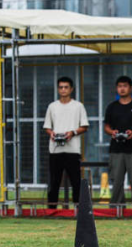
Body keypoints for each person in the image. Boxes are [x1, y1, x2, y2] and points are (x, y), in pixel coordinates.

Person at [103, 76, 132, 208]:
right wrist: (112, 132)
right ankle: (117, 209)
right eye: (119, 86)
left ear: (130, 88)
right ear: (116, 88)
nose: (122, 89)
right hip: (116, 150)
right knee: (116, 181)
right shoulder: (112, 107)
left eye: (125, 86)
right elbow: (106, 127)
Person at [43, 76, 89, 208]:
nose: (63, 90)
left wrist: (72, 132)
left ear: (71, 89)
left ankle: (78, 210)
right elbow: (47, 126)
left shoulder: (78, 106)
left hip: (73, 150)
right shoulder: (52, 106)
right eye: (61, 87)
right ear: (58, 89)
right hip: (55, 150)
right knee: (54, 182)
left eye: (66, 87)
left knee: (76, 182)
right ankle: (52, 209)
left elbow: (84, 126)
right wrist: (52, 134)